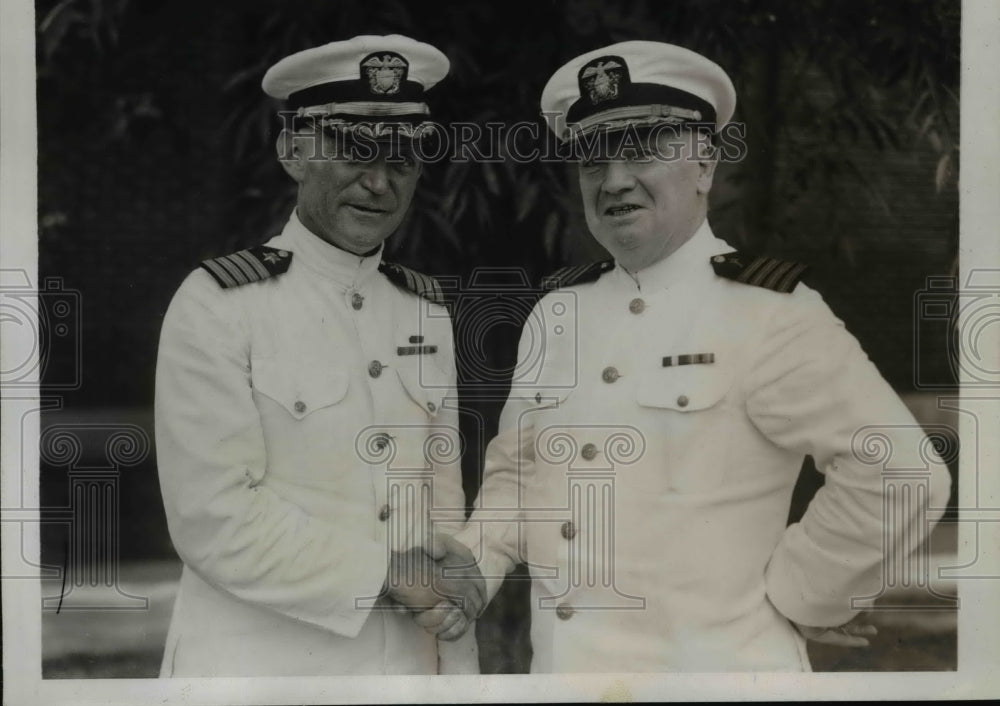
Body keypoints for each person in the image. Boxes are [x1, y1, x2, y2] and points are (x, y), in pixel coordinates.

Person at [451, 41, 952, 672]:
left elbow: (899, 472)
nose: (614, 180)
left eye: (642, 149)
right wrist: (475, 562)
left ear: (705, 163)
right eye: (593, 159)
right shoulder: (558, 314)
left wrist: (805, 596)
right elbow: (516, 482)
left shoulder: (771, 311)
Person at [155, 34, 483, 677]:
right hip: (261, 668)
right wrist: (384, 574)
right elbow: (212, 517)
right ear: (293, 151)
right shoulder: (219, 304)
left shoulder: (424, 309)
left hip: (406, 670)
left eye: (403, 157)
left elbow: (441, 505)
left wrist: (455, 632)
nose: (378, 181)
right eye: (355, 150)